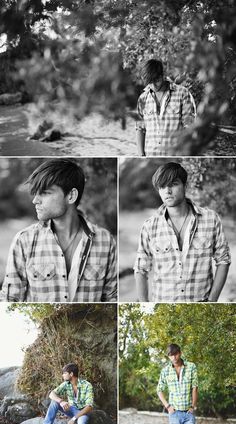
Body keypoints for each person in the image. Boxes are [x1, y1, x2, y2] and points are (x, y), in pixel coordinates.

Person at [0, 159, 117, 302]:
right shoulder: (24, 240)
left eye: (45, 193)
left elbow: (112, 299)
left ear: (71, 196)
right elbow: (9, 300)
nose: (35, 200)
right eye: (36, 193)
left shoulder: (106, 241)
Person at [134, 162, 231, 302]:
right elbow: (140, 269)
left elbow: (223, 260)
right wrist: (144, 305)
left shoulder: (210, 218)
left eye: (173, 184)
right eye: (162, 186)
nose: (167, 191)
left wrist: (212, 301)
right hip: (162, 307)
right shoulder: (150, 226)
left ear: (185, 186)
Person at [136, 59, 196, 156]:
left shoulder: (182, 93)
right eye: (150, 82)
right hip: (151, 155)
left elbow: (189, 127)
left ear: (162, 75)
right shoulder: (142, 98)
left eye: (157, 81)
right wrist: (141, 155)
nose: (154, 86)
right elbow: (140, 129)